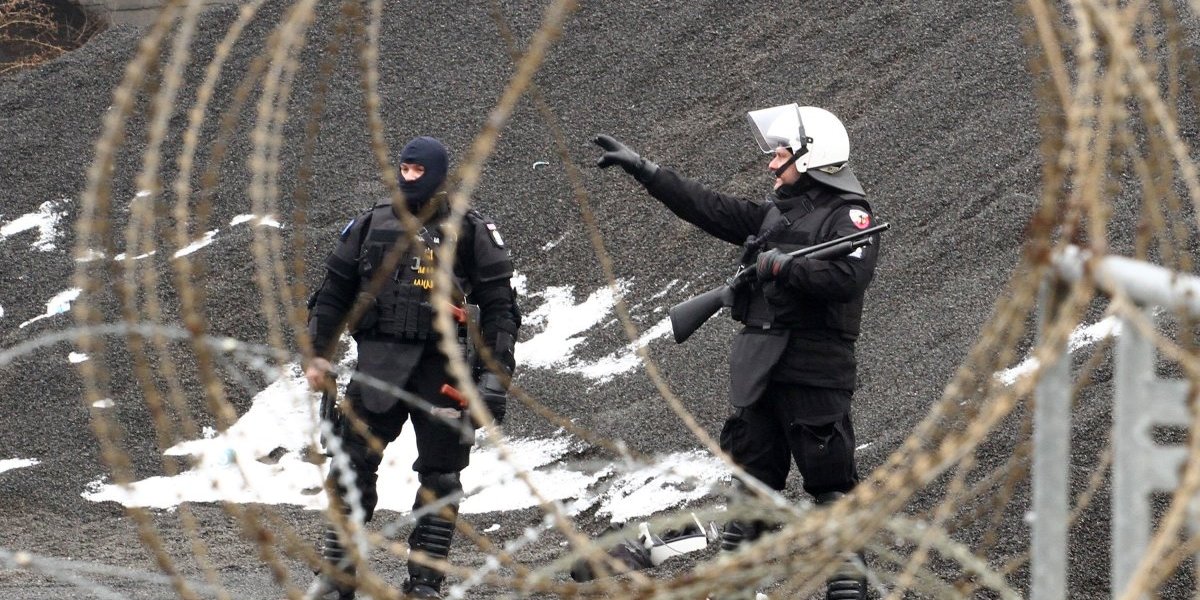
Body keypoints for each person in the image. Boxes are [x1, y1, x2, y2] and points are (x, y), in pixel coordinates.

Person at [593, 104, 879, 600]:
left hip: (814, 368)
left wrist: (783, 269)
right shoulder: (775, 213)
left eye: (782, 155)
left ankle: (847, 591)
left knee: (831, 488)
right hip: (758, 365)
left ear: (813, 157)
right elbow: (707, 207)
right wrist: (646, 171)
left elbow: (847, 279)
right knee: (749, 487)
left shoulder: (850, 214)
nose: (772, 164)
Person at [302, 136, 521, 600]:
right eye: (404, 169)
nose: (408, 177)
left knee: (440, 478)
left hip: (443, 374)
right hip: (377, 366)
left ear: (438, 174)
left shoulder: (471, 231)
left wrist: (495, 377)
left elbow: (501, 311)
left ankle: (425, 583)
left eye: (418, 171)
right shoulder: (368, 226)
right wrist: (318, 353)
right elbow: (332, 293)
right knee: (350, 467)